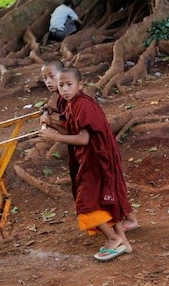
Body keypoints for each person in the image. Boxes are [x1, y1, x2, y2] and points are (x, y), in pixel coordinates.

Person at [39, 67, 137, 260]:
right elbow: (71, 128)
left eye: (69, 85)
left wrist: (54, 136)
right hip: (92, 158)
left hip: (96, 159)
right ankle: (124, 243)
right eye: (61, 86)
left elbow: (83, 139)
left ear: (80, 85)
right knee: (104, 200)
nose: (65, 89)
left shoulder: (83, 105)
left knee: (86, 202)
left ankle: (112, 239)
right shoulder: (70, 103)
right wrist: (50, 122)